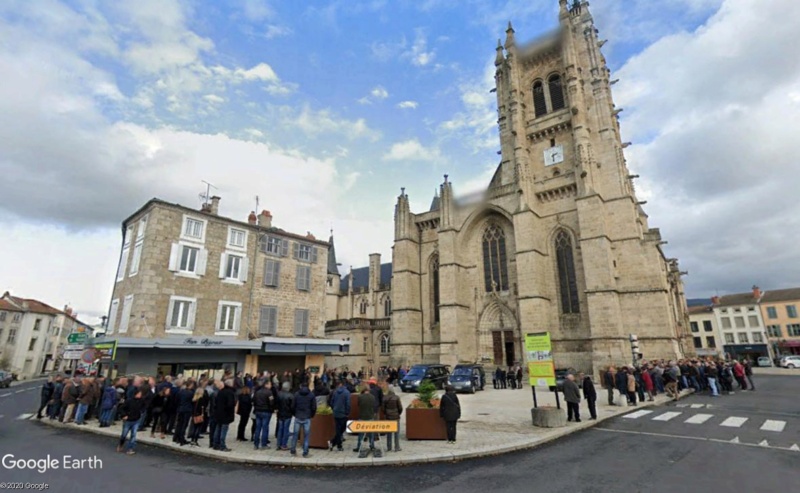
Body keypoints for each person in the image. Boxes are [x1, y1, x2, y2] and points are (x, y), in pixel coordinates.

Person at [290, 382, 317, 458]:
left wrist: (295, 414)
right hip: (307, 416)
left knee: (295, 434)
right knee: (306, 435)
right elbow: (314, 407)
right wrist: (311, 415)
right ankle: (305, 452)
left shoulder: (296, 394)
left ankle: (293, 450)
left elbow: (292, 406)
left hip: (298, 416)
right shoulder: (311, 395)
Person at [117, 390, 145, 455]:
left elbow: (144, 407)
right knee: (124, 434)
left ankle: (130, 448)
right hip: (128, 420)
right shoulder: (129, 401)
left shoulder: (141, 401)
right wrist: (124, 415)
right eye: (139, 394)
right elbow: (121, 408)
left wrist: (141, 412)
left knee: (133, 435)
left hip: (136, 420)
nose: (140, 395)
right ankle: (121, 444)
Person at [213, 379, 236, 452]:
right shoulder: (229, 392)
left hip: (218, 413)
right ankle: (222, 446)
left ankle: (216, 444)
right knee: (223, 430)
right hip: (226, 414)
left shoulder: (220, 392)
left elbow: (216, 402)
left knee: (218, 428)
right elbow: (230, 404)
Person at [328, 381, 351, 452]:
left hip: (336, 412)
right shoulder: (347, 393)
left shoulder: (335, 392)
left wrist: (334, 408)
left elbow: (331, 402)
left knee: (338, 429)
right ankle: (338, 445)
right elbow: (348, 404)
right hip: (343, 413)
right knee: (342, 429)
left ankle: (333, 442)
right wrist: (347, 412)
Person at [253, 380, 276, 450]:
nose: (271, 386)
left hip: (258, 411)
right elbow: (271, 402)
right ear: (266, 385)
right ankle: (264, 444)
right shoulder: (269, 393)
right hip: (266, 411)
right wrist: (272, 409)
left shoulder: (257, 392)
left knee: (258, 428)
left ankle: (256, 444)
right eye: (270, 384)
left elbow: (253, 400)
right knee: (265, 428)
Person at [355, 386, 376, 457]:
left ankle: (359, 446)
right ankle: (372, 445)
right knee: (371, 433)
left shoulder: (360, 397)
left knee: (361, 433)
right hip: (370, 416)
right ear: (369, 390)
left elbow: (358, 405)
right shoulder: (372, 397)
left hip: (362, 417)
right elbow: (374, 406)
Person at [382, 385, 403, 452]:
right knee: (396, 433)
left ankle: (389, 447)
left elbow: (383, 408)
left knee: (389, 433)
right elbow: (400, 408)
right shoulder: (396, 397)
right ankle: (397, 447)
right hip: (396, 417)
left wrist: (386, 413)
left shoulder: (385, 398)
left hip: (388, 417)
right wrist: (398, 413)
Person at [173, 381, 194, 446]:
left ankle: (176, 437)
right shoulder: (191, 393)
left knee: (179, 424)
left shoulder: (180, 392)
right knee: (184, 424)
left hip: (180, 409)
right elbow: (192, 402)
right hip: (187, 410)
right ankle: (182, 438)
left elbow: (176, 401)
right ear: (190, 385)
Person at [276, 382, 294, 451]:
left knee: (280, 429)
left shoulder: (278, 394)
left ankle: (278, 444)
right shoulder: (291, 396)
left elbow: (276, 404)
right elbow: (292, 406)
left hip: (280, 414)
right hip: (288, 414)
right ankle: (284, 444)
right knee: (286, 430)